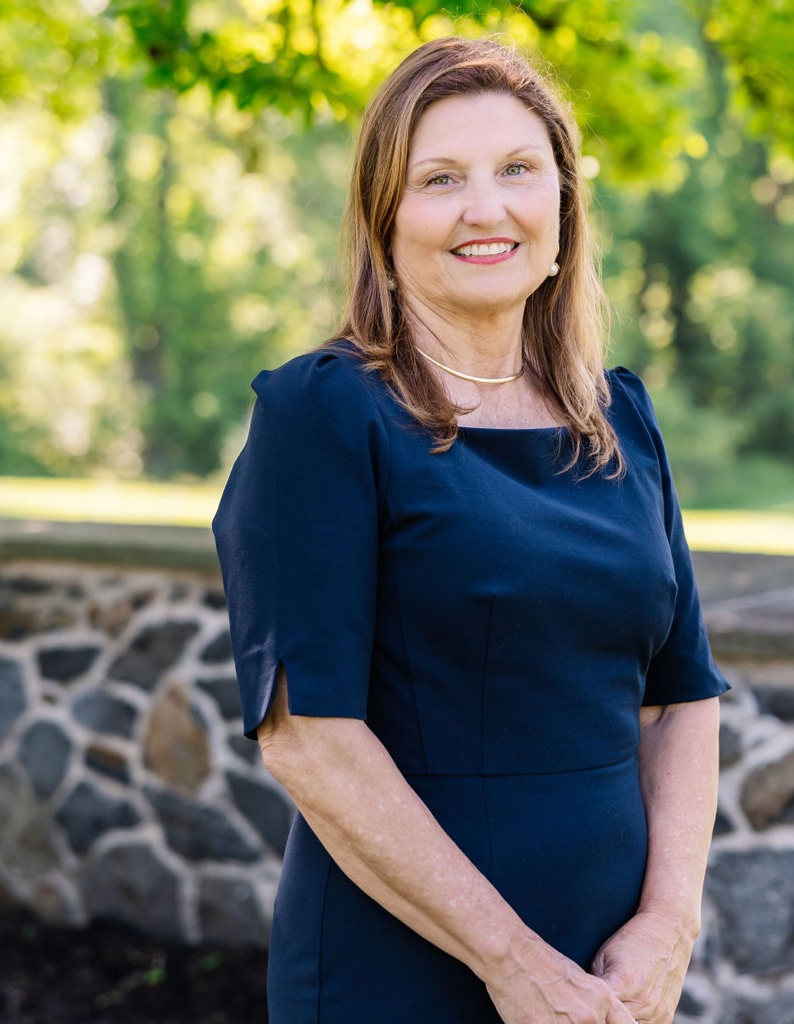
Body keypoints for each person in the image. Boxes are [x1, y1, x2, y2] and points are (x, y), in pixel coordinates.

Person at [213, 35, 728, 1024]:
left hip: (611, 967)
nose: (485, 209)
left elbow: (680, 700)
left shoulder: (618, 416)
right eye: (440, 178)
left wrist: (669, 923)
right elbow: (307, 738)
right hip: (400, 967)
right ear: (385, 217)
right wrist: (511, 961)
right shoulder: (324, 414)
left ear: (563, 206)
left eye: (518, 170)